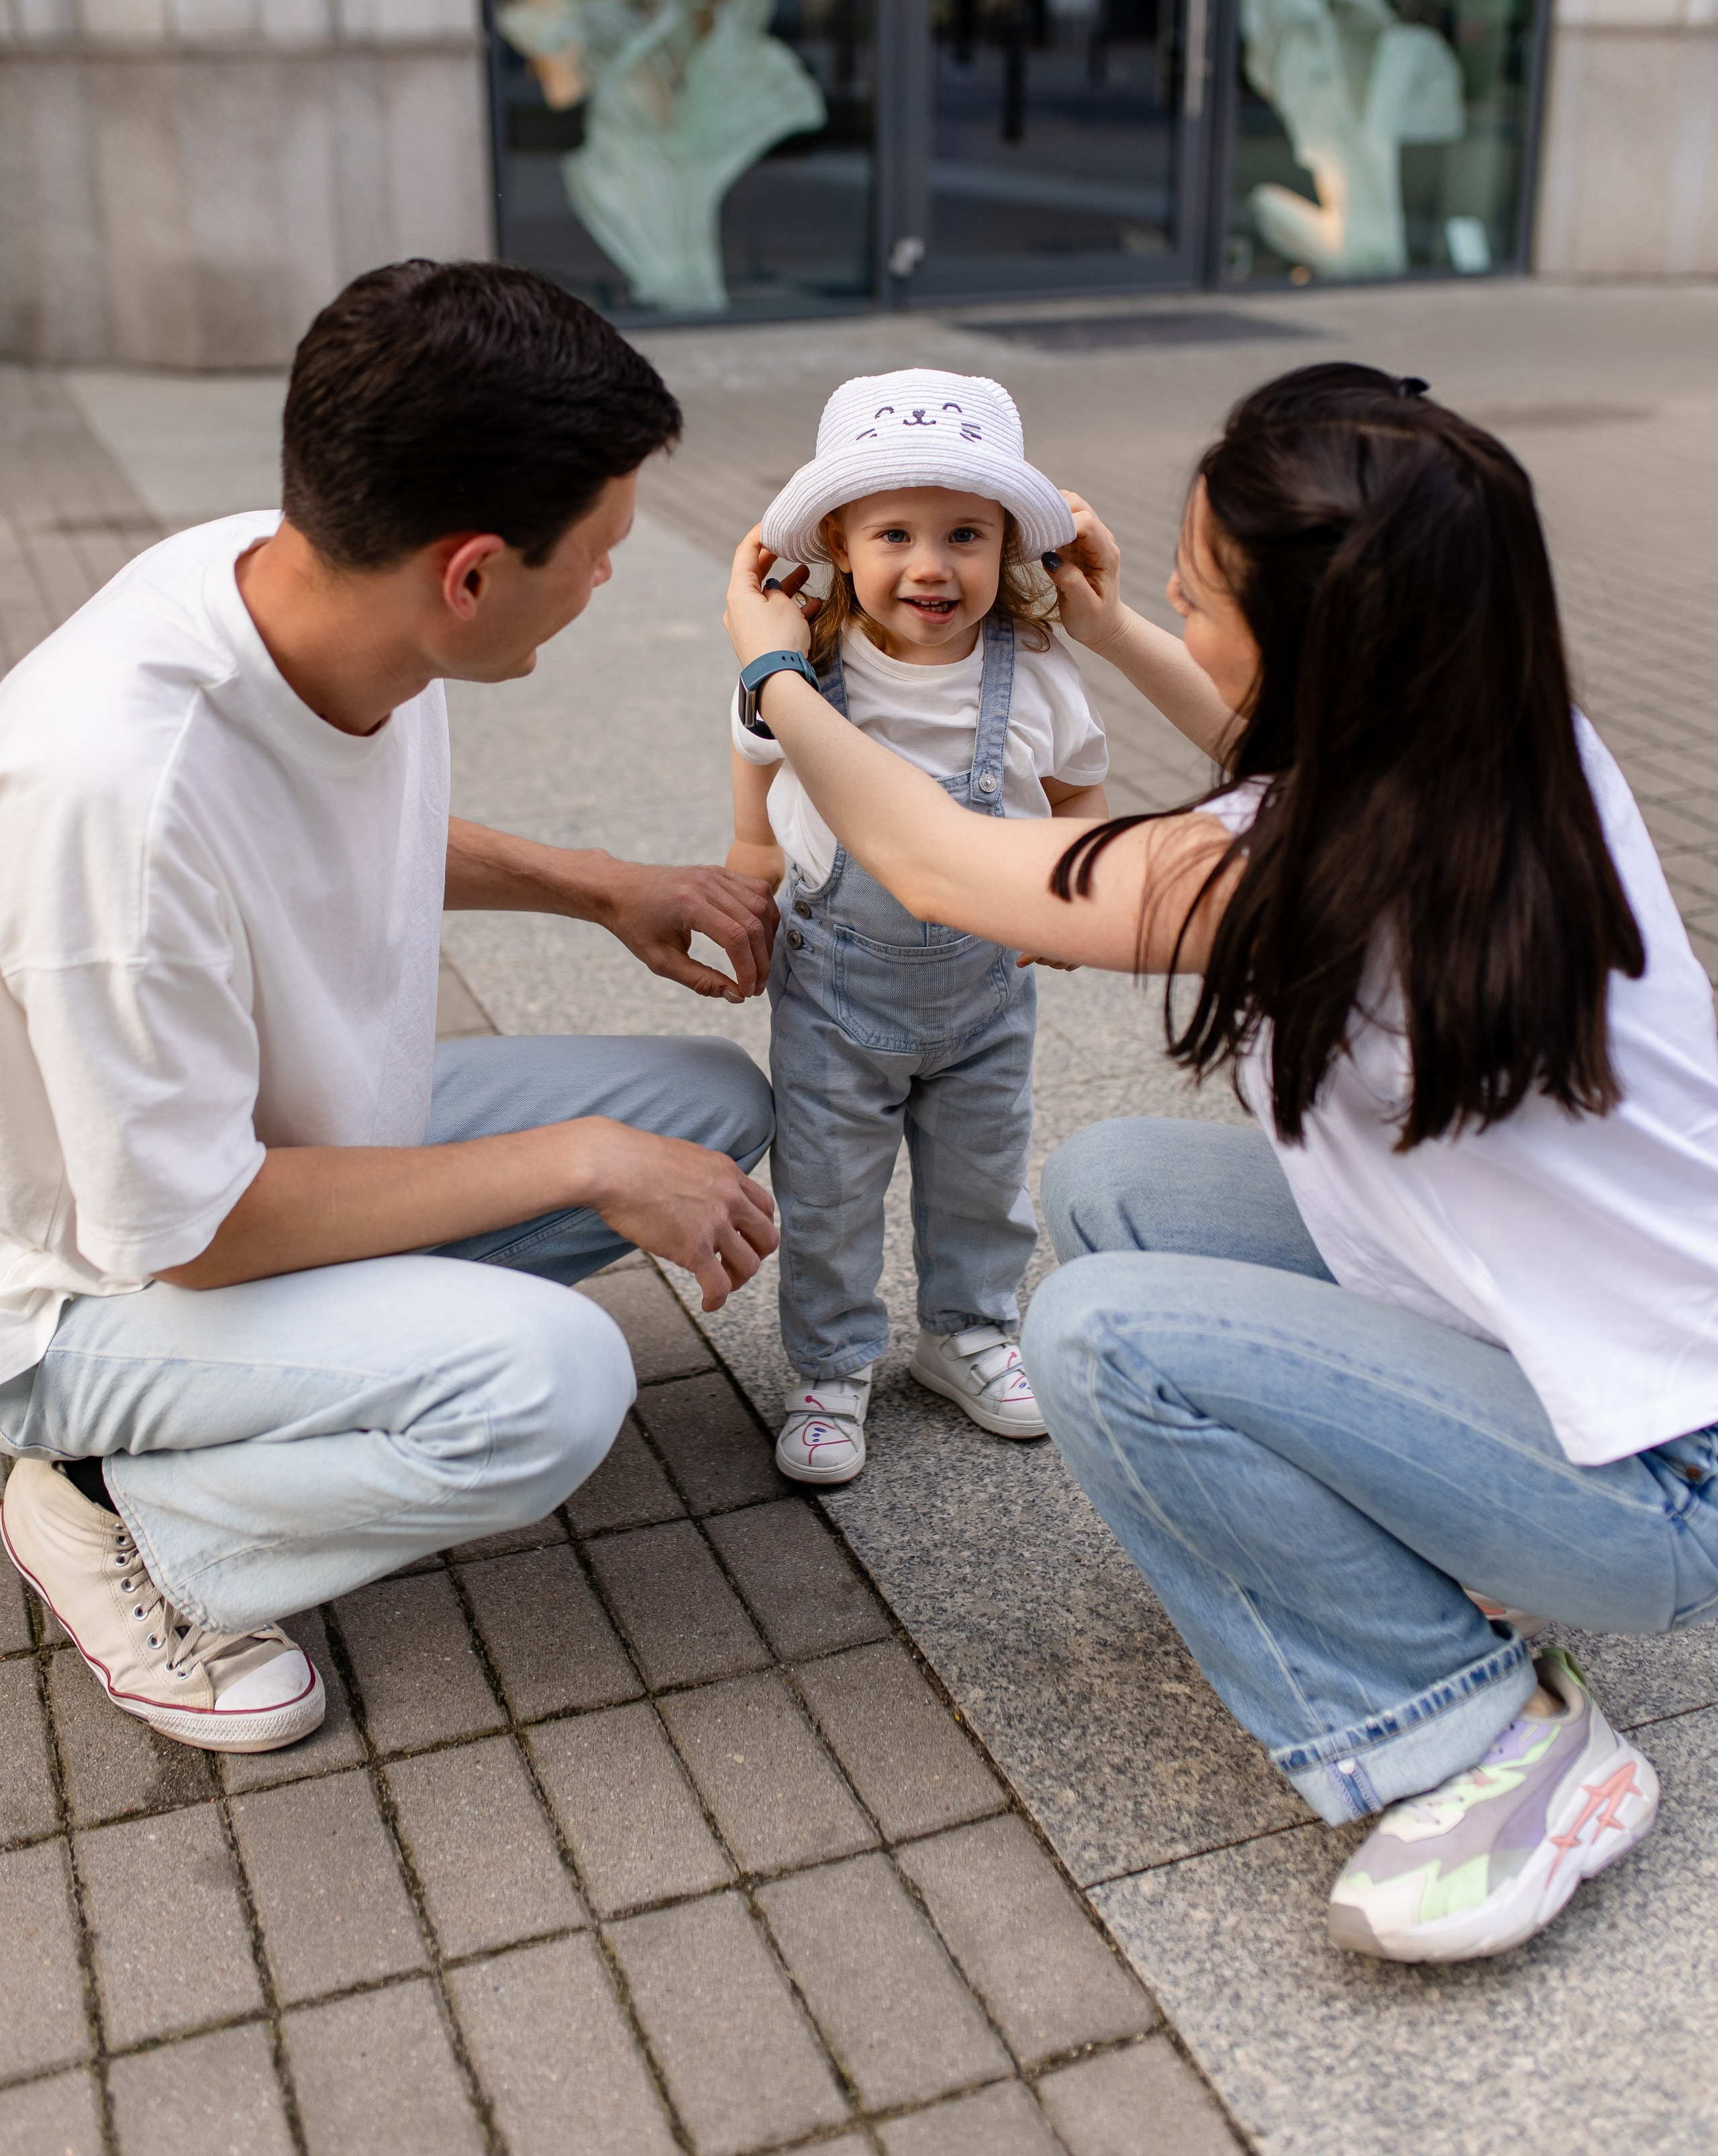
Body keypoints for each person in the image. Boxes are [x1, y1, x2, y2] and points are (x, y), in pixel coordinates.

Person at [723, 360, 1718, 1965]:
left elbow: (940, 862)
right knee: (1117, 1185)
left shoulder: (1285, 881)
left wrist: (773, 682)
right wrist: (1114, 632)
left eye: (1195, 585)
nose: (1168, 590)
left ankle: (1475, 1740)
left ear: (1315, 631)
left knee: (1100, 1337)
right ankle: (1441, 1569)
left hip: (1668, 1479)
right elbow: (1276, 748)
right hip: (1610, 1365)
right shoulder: (1507, 752)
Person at [0, 260, 778, 1757]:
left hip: (248, 1156)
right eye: (601, 551)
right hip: (75, 1286)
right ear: (471, 574)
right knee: (551, 1387)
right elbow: (199, 1232)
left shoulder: (299, 584)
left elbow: (334, 821)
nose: (613, 577)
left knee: (707, 1103)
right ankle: (114, 1512)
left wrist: (600, 885)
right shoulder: (115, 793)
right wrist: (580, 1164)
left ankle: (199, 1448)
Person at [727, 369, 1108, 1483]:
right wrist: (749, 867)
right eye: (895, 532)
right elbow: (757, 766)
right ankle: (832, 1366)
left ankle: (971, 1333)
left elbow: (1081, 787)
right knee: (831, 1186)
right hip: (834, 995)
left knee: (984, 1177)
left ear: (1008, 550)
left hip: (986, 992)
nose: (932, 566)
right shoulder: (804, 670)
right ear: (840, 540)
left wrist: (1067, 894)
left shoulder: (1033, 669)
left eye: (966, 536)